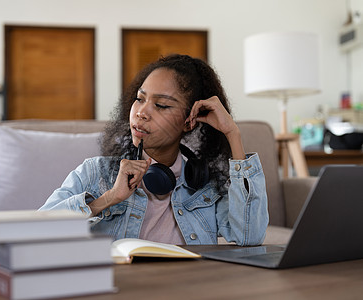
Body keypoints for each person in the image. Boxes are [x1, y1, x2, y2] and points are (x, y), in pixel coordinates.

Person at [39, 54, 268, 245]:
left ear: (190, 121)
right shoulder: (94, 173)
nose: (141, 112)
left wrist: (233, 135)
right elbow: (37, 230)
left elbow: (250, 237)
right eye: (140, 99)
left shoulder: (204, 186)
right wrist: (109, 198)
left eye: (161, 105)